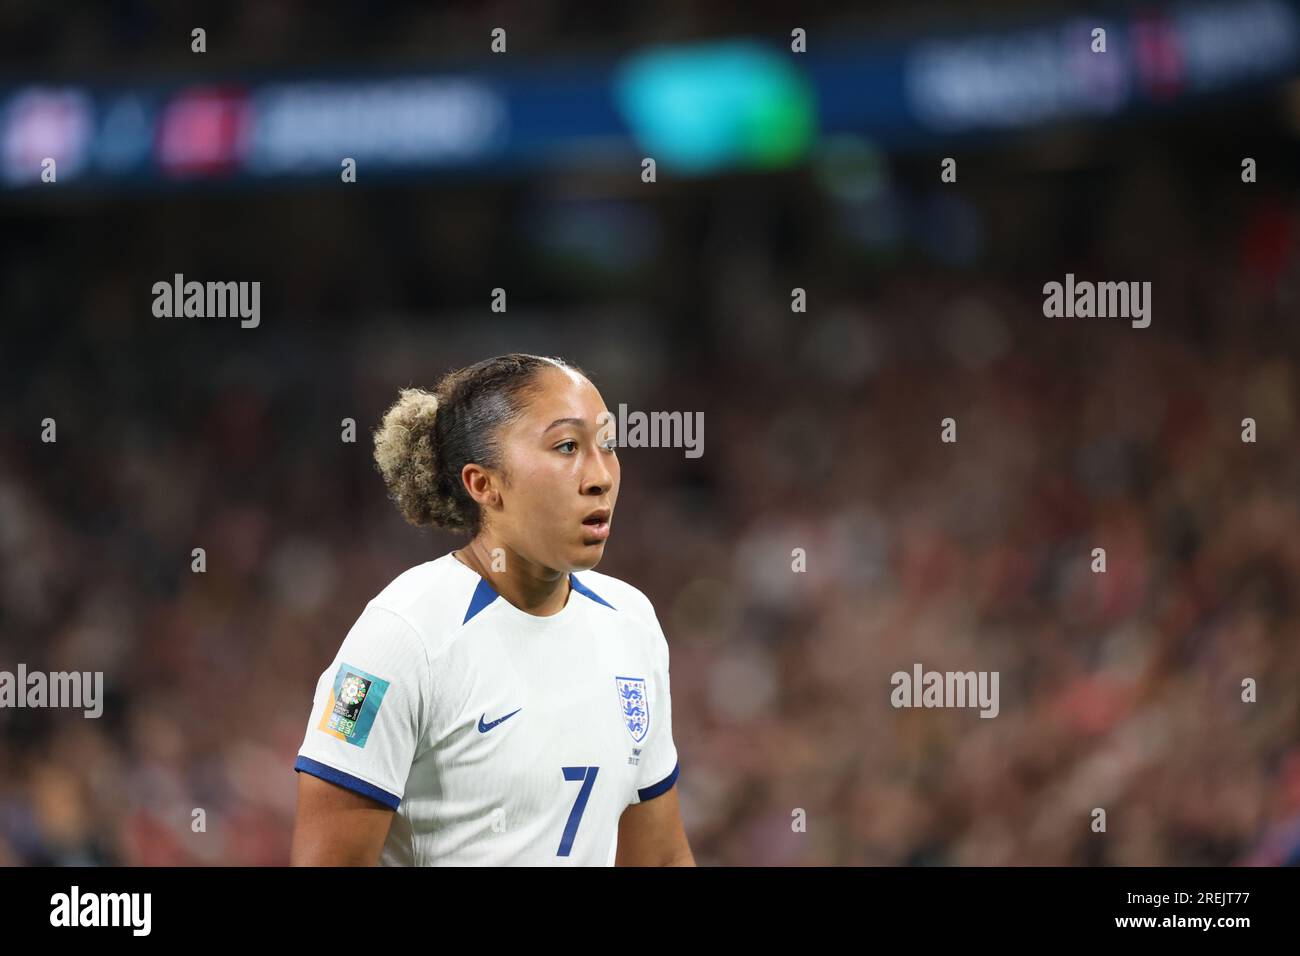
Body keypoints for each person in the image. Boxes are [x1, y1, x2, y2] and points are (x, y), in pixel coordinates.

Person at [289, 353, 693, 866]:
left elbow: (659, 858)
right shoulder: (401, 638)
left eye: (607, 445)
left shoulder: (630, 622)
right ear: (483, 484)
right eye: (567, 446)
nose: (601, 477)